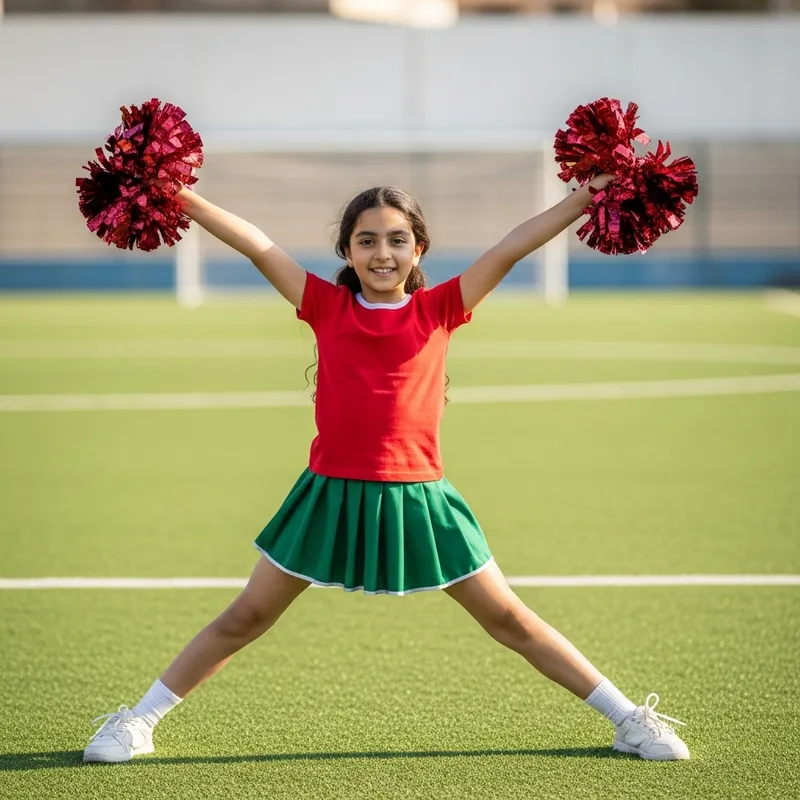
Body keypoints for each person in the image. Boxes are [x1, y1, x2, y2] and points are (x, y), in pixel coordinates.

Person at [83, 177, 689, 764]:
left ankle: (627, 718)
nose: (382, 252)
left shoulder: (440, 308)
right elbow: (255, 243)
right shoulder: (322, 304)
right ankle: (138, 720)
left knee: (508, 618)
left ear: (418, 248)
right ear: (346, 250)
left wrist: (586, 197)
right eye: (367, 240)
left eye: (397, 239)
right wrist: (177, 195)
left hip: (420, 497)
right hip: (328, 498)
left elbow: (511, 246)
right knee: (246, 616)